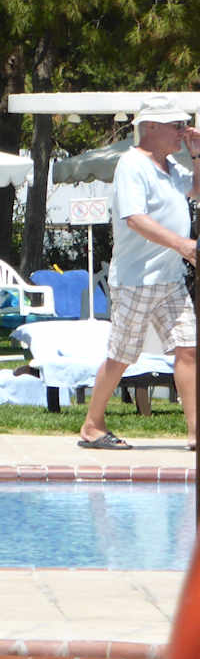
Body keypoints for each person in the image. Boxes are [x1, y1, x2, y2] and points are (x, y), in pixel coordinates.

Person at [78, 97, 200, 450]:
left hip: (170, 279)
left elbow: (196, 190)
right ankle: (92, 426)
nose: (182, 131)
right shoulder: (132, 165)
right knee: (121, 356)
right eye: (176, 126)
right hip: (136, 281)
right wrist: (183, 245)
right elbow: (134, 218)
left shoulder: (170, 166)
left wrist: (195, 154)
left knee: (188, 349)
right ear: (151, 127)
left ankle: (195, 432)